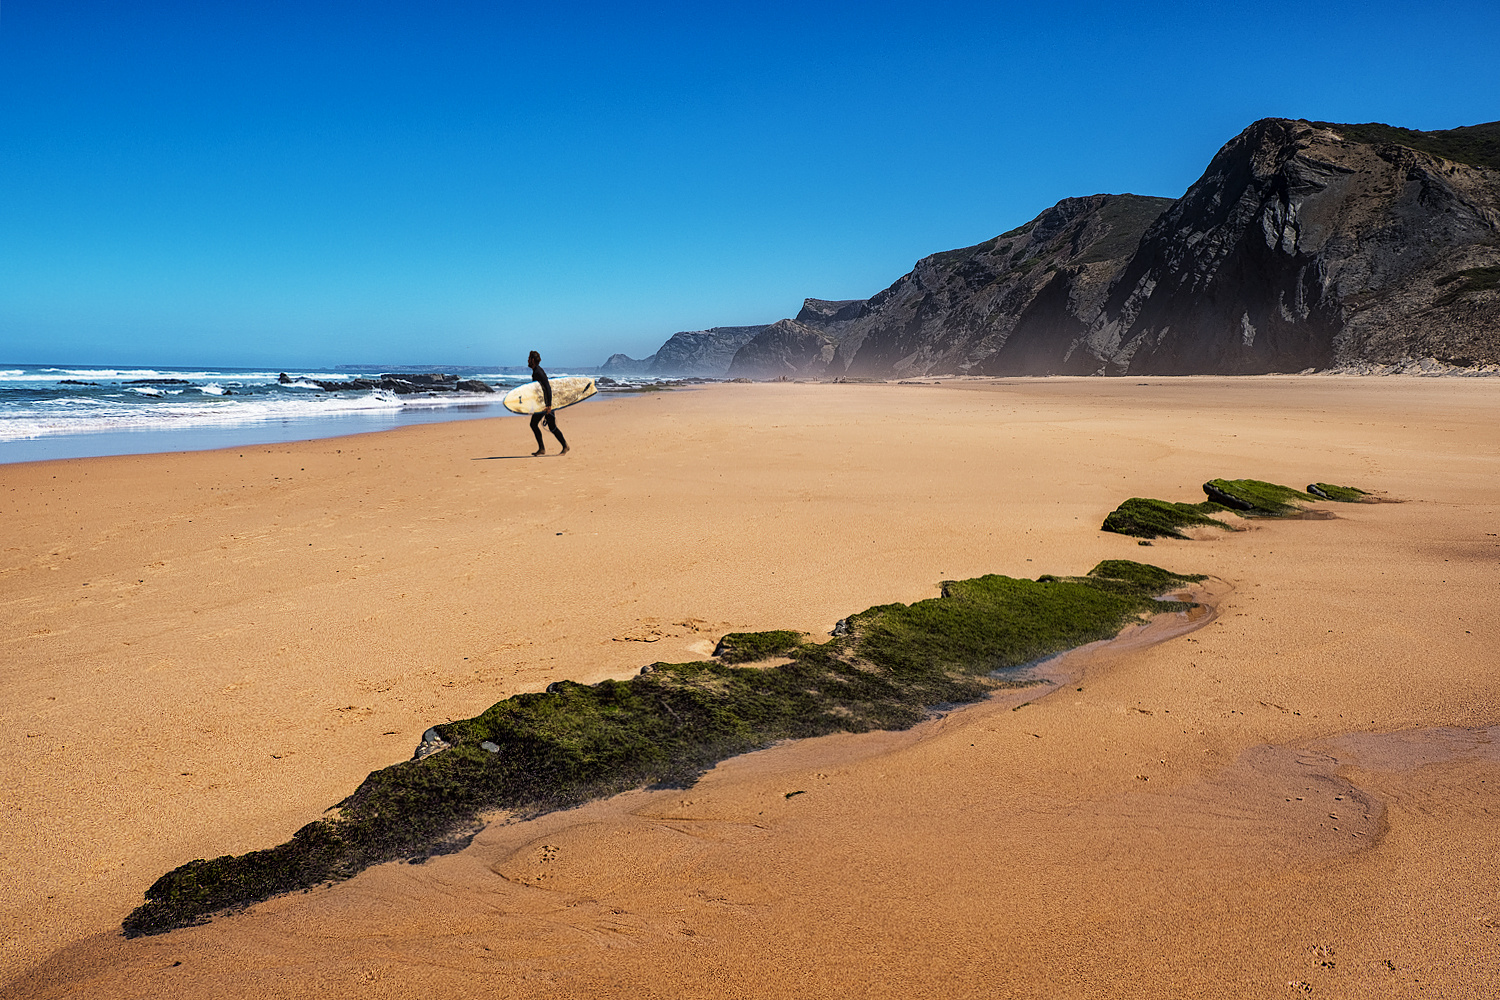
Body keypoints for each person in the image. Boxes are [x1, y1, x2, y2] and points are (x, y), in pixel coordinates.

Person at [526, 350, 569, 456]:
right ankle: (545, 448)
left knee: (540, 425)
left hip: (545, 405)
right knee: (548, 426)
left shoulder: (538, 372)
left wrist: (549, 406)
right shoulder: (536, 371)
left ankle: (562, 446)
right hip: (542, 404)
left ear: (532, 360)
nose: (527, 360)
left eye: (528, 358)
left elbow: (548, 388)